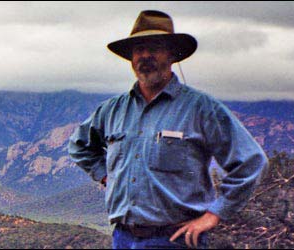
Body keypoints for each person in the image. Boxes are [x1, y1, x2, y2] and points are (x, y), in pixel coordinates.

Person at [67, 10, 267, 249]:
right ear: (131, 58)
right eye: (139, 49)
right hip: (123, 237)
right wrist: (105, 174)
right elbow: (79, 146)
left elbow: (252, 161)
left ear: (172, 54)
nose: (145, 56)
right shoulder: (113, 110)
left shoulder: (200, 108)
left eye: (155, 48)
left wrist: (215, 214)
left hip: (175, 240)